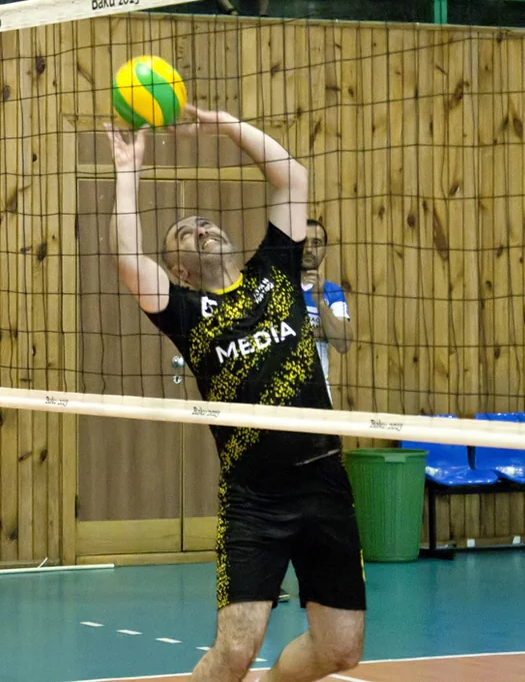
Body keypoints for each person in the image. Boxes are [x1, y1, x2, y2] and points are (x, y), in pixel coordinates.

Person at [107, 106, 365, 682]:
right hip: (255, 498)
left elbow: (293, 177)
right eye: (186, 233)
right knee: (233, 652)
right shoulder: (186, 311)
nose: (203, 229)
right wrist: (128, 174)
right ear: (179, 268)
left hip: (325, 479)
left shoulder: (274, 270)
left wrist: (222, 122)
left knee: (342, 650)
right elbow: (127, 259)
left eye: (206, 222)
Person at [301, 218, 352, 401]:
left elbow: (343, 342)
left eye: (316, 243)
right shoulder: (278, 288)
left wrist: (320, 302)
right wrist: (322, 331)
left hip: (318, 393)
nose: (309, 249)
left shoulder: (332, 292)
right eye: (303, 242)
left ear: (325, 251)